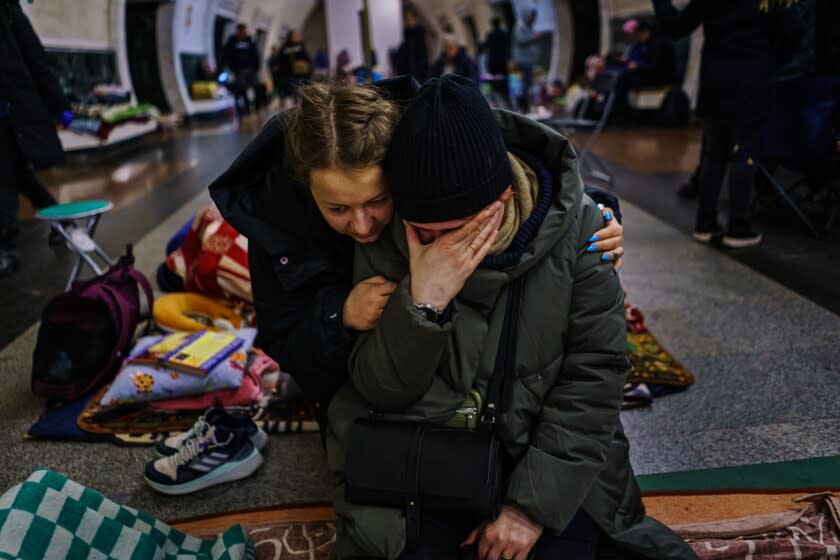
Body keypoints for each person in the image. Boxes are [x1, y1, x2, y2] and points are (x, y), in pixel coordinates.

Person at [325, 75, 693, 560]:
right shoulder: (389, 231)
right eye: (423, 233)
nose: (440, 248)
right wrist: (422, 304)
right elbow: (380, 391)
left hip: (544, 458)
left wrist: (528, 509)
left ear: (499, 200)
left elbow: (595, 374)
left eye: (454, 230)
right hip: (426, 458)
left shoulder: (586, 230)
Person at [209, 78, 625, 439]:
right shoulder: (277, 227)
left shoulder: (422, 130)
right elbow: (284, 344)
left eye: (378, 200)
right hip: (343, 377)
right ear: (306, 189)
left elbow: (492, 159)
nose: (362, 226)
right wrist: (339, 315)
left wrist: (591, 214)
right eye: (336, 208)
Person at [653, 0, 804, 248]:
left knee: (714, 154)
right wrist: (771, 59)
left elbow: (675, 26)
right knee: (744, 154)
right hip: (753, 77)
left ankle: (705, 223)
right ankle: (738, 227)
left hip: (715, 78)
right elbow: (795, 30)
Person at [0, 0, 73, 276]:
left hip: (10, 115)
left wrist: (59, 105)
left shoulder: (9, 13)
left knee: (5, 177)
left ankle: (5, 246)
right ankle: (62, 219)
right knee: (19, 176)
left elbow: (36, 60)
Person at [222, 23, 261, 116]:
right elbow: (227, 56)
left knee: (257, 87)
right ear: (238, 32)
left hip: (251, 69)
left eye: (245, 31)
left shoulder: (250, 42)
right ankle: (243, 108)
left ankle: (256, 107)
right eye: (243, 31)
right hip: (239, 70)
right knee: (240, 89)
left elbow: (256, 56)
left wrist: (256, 68)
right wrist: (232, 68)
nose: (245, 33)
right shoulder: (232, 42)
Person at [271, 30, 312, 108]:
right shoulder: (285, 47)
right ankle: (293, 108)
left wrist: (309, 70)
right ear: (289, 37)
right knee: (292, 91)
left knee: (299, 91)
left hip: (301, 73)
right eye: (294, 36)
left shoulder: (301, 46)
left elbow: (307, 59)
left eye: (297, 36)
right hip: (288, 74)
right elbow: (280, 60)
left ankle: (298, 106)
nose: (295, 38)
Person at [512, 7, 542, 113]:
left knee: (529, 84)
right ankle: (523, 107)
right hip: (523, 62)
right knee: (524, 85)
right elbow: (521, 40)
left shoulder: (529, 28)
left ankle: (527, 106)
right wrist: (534, 37)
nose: (533, 19)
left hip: (529, 61)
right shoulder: (520, 27)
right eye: (532, 16)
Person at [396, 6, 429, 84]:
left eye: (409, 19)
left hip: (418, 75)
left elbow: (422, 56)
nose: (407, 22)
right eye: (406, 19)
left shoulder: (420, 34)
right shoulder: (407, 35)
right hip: (409, 74)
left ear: (415, 19)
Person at [483, 18, 510, 96]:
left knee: (495, 79)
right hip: (502, 59)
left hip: (493, 60)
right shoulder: (503, 34)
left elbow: (487, 48)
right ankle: (504, 93)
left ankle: (498, 93)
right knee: (504, 78)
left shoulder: (489, 35)